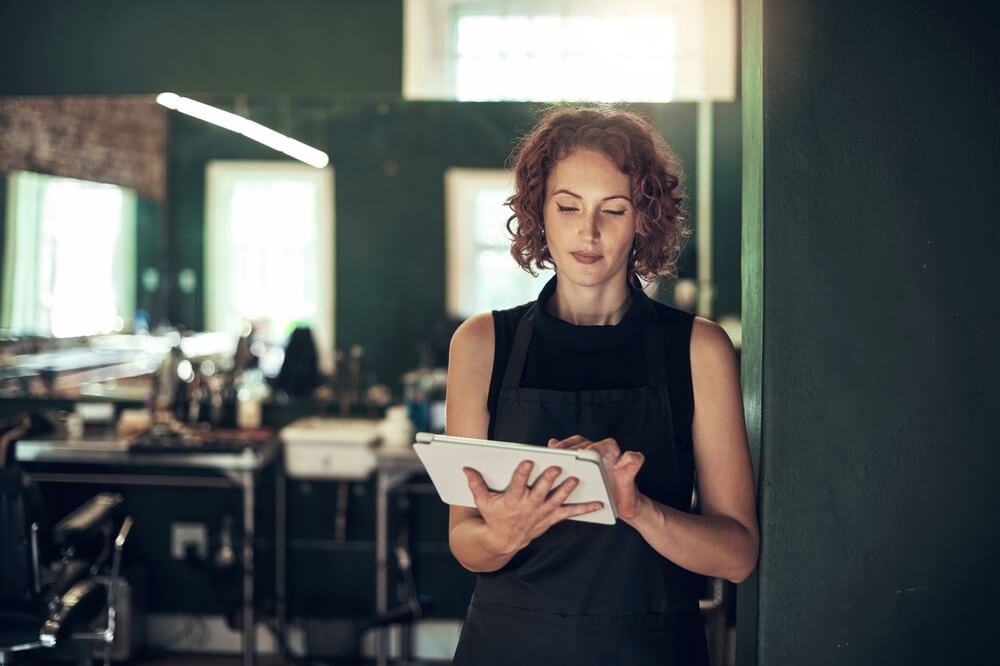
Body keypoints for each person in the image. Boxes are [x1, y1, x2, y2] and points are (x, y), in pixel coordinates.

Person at [445, 106, 759, 666]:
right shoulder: (481, 344)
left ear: (644, 220)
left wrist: (637, 508)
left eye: (613, 210)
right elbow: (465, 542)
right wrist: (506, 533)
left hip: (649, 649)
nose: (588, 232)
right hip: (509, 647)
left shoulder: (699, 349)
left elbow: (736, 556)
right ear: (540, 212)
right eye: (568, 207)